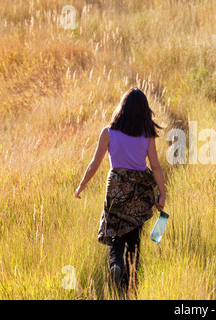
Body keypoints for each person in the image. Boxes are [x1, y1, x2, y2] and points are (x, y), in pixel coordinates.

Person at [74, 88, 166, 293]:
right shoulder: (147, 135)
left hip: (115, 185)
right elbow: (156, 166)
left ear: (121, 109)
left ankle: (116, 264)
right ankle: (131, 283)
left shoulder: (108, 132)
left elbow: (94, 164)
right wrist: (162, 193)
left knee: (115, 231)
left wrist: (81, 186)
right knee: (134, 234)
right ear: (144, 111)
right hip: (140, 187)